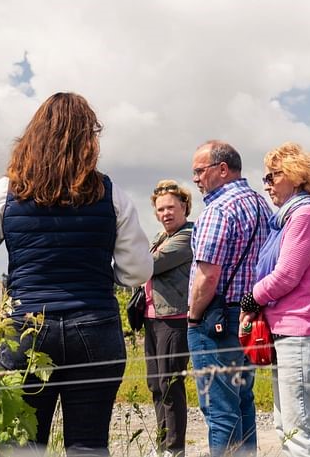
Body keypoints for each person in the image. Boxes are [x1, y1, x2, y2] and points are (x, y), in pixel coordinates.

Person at [0, 92, 152, 456]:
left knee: (23, 443)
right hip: (95, 328)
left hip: (28, 329)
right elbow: (137, 272)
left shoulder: (9, 190)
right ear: (88, 139)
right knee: (89, 445)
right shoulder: (112, 194)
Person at [240, 142, 310, 457]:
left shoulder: (305, 216)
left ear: (295, 177)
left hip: (301, 334)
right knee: (287, 427)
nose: (266, 183)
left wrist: (250, 299)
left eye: (273, 176)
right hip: (290, 332)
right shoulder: (289, 218)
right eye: (266, 177)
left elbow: (286, 275)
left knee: (300, 431)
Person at [187, 140, 271, 457]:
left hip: (217, 319)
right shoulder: (262, 205)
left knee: (219, 407)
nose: (195, 178)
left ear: (222, 170)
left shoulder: (218, 210)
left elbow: (208, 275)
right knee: (242, 398)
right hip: (252, 316)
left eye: (199, 170)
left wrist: (194, 317)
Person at [144, 179, 194, 457]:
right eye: (161, 209)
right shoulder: (159, 238)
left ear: (184, 207)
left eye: (171, 207)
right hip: (152, 317)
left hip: (174, 318)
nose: (166, 213)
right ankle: (164, 445)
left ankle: (174, 450)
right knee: (156, 384)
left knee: (170, 384)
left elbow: (148, 264)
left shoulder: (187, 236)